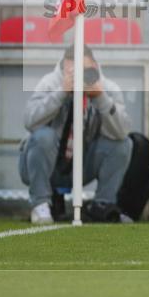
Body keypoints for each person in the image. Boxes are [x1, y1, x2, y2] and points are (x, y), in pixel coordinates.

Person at [20, 46, 132, 225]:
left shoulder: (108, 88)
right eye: (72, 72)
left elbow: (121, 132)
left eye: (84, 71)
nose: (78, 78)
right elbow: (29, 121)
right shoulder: (49, 83)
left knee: (123, 144)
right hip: (42, 165)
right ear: (64, 68)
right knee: (43, 136)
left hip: (82, 166)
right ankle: (40, 204)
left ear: (94, 66)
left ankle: (103, 205)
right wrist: (61, 93)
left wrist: (101, 98)